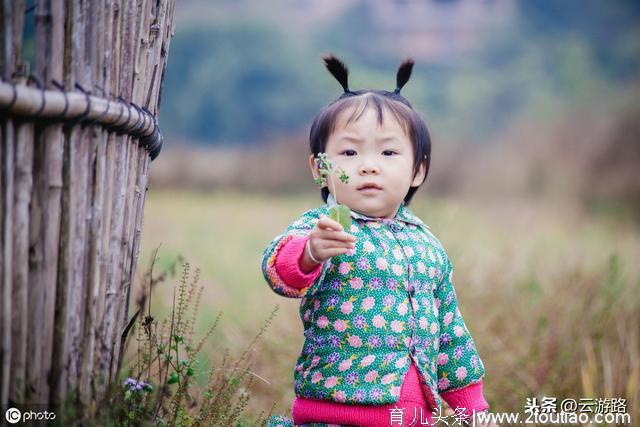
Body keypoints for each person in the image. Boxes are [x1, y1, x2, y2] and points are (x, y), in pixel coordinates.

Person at [262, 54, 495, 427]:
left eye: (388, 152)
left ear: (418, 169)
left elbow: (450, 335)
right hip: (336, 414)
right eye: (349, 152)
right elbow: (279, 270)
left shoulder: (427, 246)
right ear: (320, 169)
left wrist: (474, 411)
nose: (368, 165)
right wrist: (309, 253)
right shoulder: (324, 228)